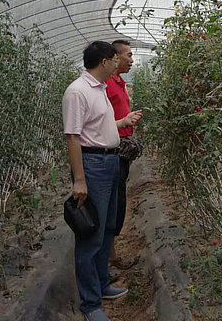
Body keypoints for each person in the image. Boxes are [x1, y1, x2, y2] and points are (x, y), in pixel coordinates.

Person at [62, 41, 142, 321]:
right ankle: (91, 304)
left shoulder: (99, 89)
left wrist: (122, 123)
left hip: (110, 161)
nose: (119, 63)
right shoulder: (77, 92)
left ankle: (102, 284)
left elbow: (99, 127)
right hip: (93, 165)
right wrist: (79, 180)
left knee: (107, 228)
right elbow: (73, 137)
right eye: (114, 59)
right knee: (90, 235)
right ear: (105, 61)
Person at [105, 40, 142, 271]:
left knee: (117, 202)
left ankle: (111, 254)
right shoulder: (105, 84)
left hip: (121, 151)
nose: (132, 60)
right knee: (112, 203)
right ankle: (108, 257)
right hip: (110, 151)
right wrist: (122, 123)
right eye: (128, 55)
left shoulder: (120, 83)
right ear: (116, 57)